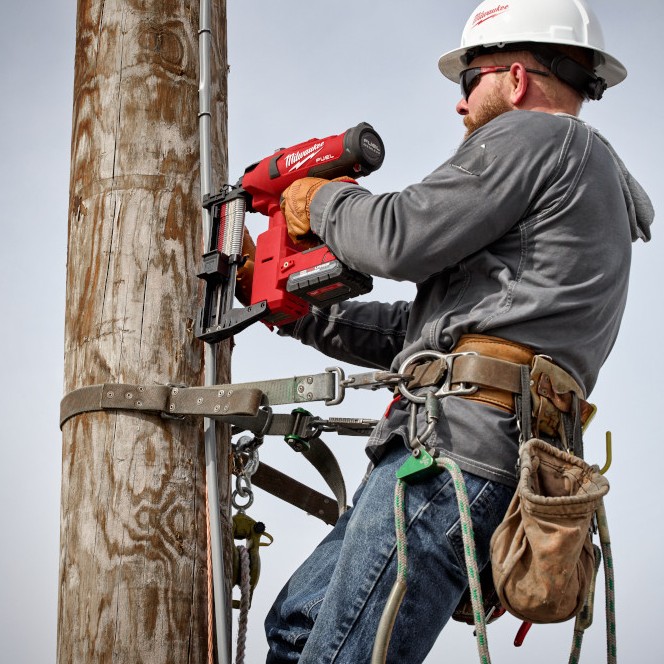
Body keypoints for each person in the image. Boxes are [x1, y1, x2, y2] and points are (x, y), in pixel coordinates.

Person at [237, 1, 654, 662]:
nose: (460, 107)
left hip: (452, 451)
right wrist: (299, 312)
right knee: (297, 627)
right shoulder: (580, 184)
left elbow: (398, 237)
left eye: (469, 81)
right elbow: (422, 333)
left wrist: (317, 199)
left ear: (515, 79)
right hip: (473, 443)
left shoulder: (539, 137)